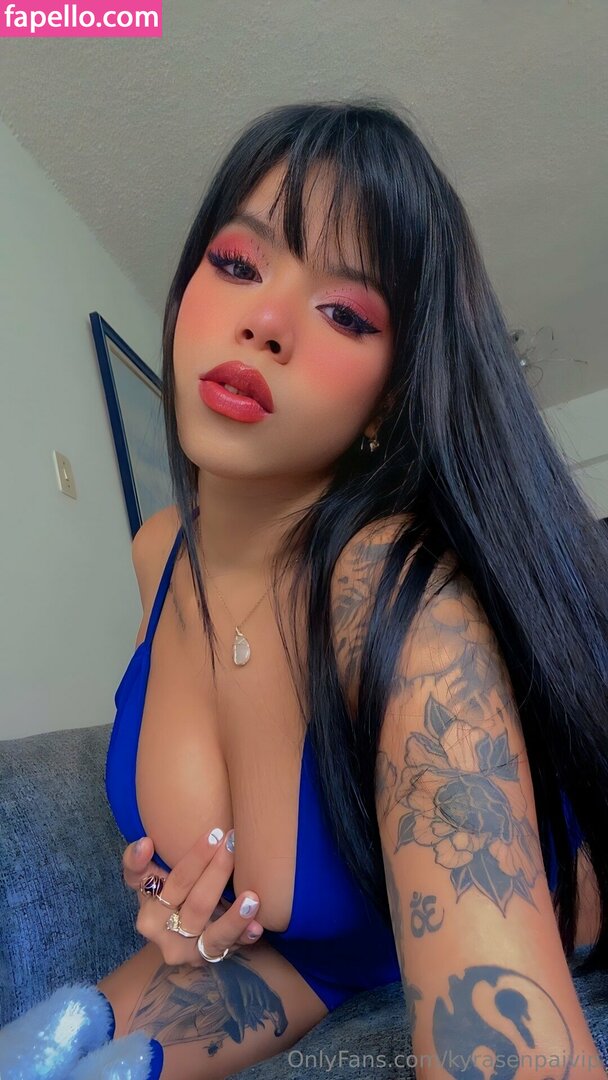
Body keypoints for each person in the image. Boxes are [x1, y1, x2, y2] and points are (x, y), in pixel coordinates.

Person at [93, 98, 608, 1079]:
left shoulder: (388, 585)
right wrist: (184, 914)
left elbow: (511, 1044)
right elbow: (244, 914)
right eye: (236, 264)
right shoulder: (156, 553)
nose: (265, 322)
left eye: (344, 313)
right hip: (306, 966)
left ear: (386, 402)